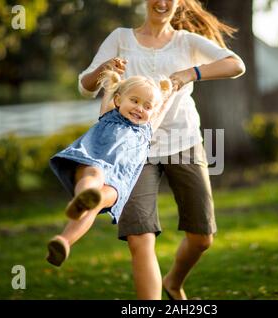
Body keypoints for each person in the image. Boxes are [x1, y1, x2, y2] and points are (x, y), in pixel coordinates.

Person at [77, 0, 245, 300]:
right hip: (132, 150)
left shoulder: (186, 41)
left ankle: (173, 282)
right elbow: (86, 86)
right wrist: (104, 68)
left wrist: (190, 73)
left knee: (202, 237)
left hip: (184, 142)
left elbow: (236, 64)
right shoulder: (120, 38)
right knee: (139, 238)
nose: (163, 2)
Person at [46, 70, 173, 267]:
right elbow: (110, 89)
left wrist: (170, 91)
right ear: (118, 100)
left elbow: (162, 108)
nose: (140, 108)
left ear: (153, 112)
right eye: (134, 100)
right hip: (93, 160)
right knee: (94, 176)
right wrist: (112, 76)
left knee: (99, 200)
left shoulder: (147, 129)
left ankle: (63, 241)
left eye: (147, 106)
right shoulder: (108, 114)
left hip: (119, 181)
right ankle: (83, 198)